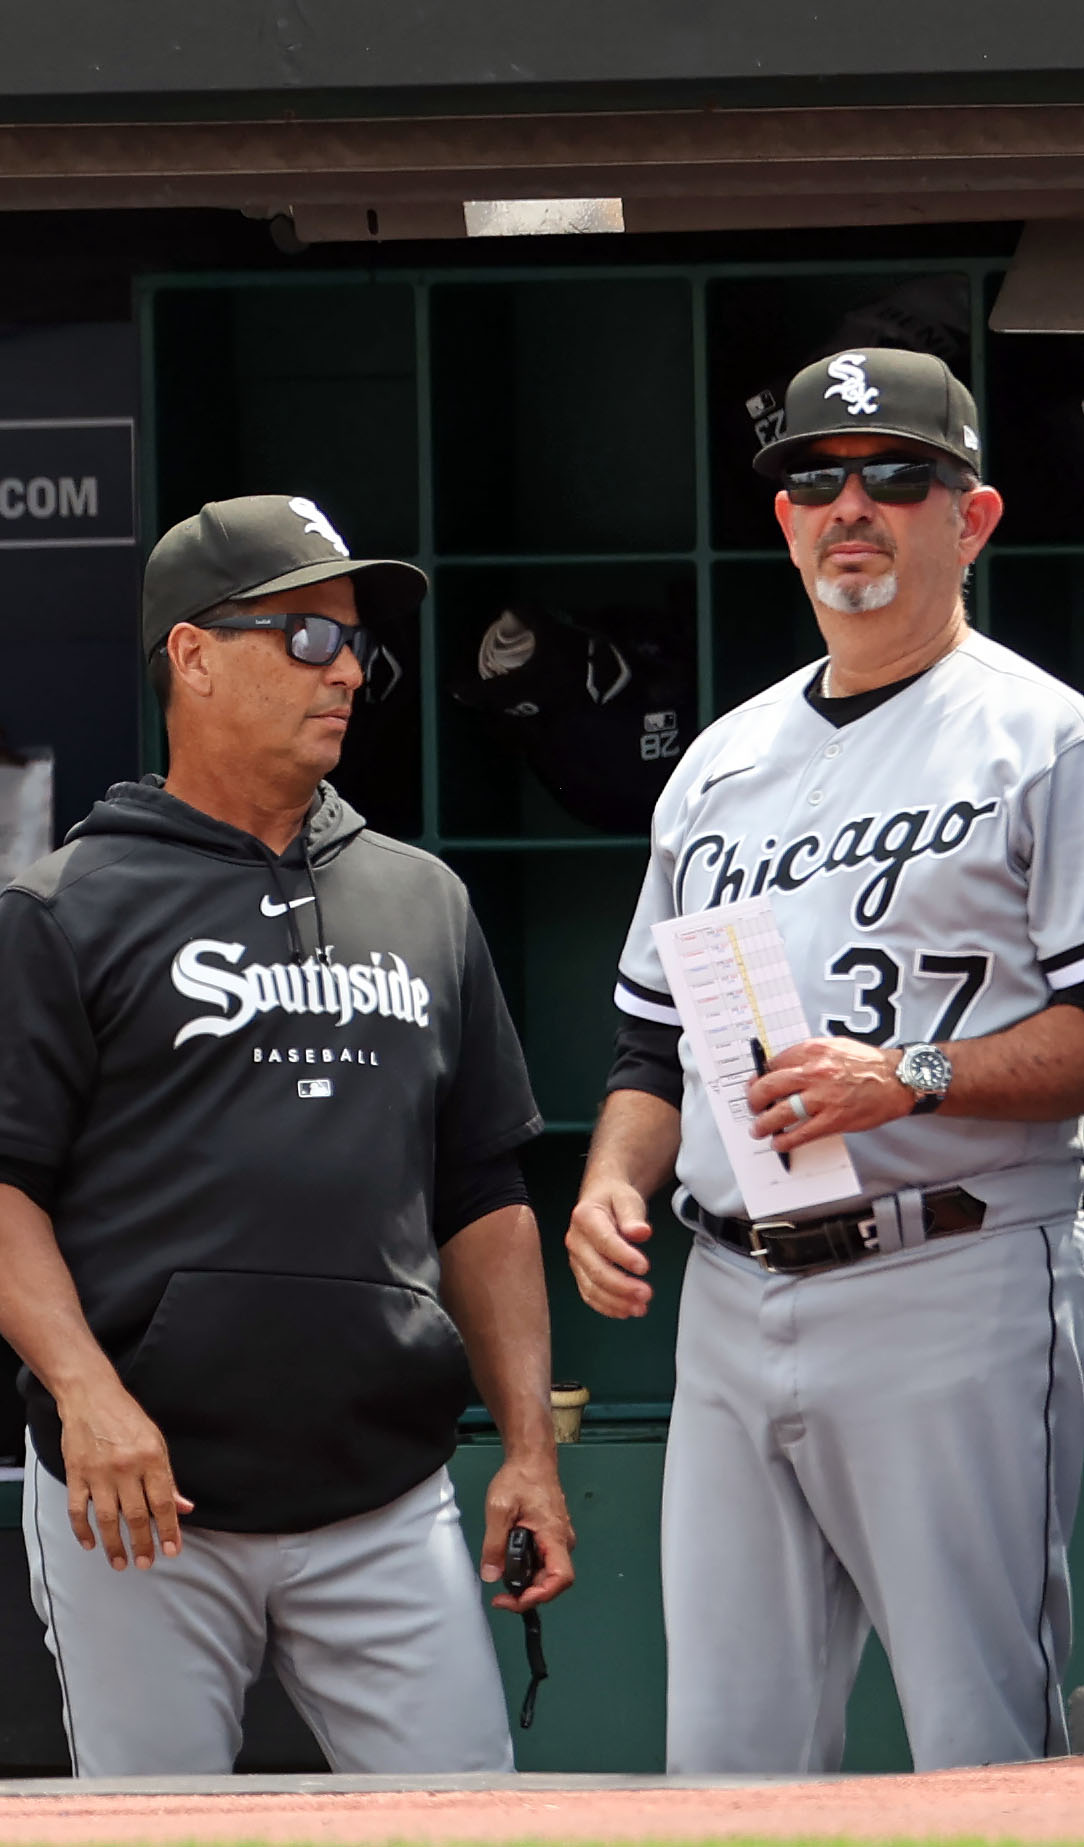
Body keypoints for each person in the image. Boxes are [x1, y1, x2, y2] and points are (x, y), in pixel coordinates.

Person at [0, 494, 575, 1776]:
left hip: (382, 1490)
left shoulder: (422, 898)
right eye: (302, 637)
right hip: (143, 1494)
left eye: (352, 645)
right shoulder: (60, 908)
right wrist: (88, 1395)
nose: (343, 669)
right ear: (190, 652)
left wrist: (523, 1451)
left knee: (469, 1819)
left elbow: (484, 1196)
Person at [571, 347, 1084, 1771]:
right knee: (722, 1760)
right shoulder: (720, 765)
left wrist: (910, 1075)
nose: (849, 505)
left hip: (953, 1270)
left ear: (969, 517)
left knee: (980, 1739)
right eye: (815, 479)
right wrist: (614, 1179)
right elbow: (649, 1038)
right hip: (732, 1289)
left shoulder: (1044, 736)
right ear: (787, 521)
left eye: (895, 475)